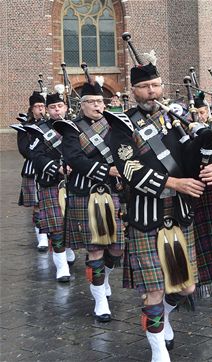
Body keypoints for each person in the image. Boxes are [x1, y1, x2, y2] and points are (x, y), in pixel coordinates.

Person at [106, 58, 212, 361]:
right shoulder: (122, 124)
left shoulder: (179, 116)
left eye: (155, 85)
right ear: (133, 91)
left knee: (185, 288)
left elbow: (206, 148)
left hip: (180, 213)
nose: (151, 92)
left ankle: (164, 318)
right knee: (154, 290)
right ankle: (158, 350)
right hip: (146, 215)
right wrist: (175, 182)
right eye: (144, 87)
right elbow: (129, 168)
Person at [53, 72, 125, 323]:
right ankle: (99, 299)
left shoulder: (116, 125)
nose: (97, 106)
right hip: (86, 191)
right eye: (92, 102)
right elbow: (74, 158)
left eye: (100, 102)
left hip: (112, 191)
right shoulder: (71, 128)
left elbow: (124, 153)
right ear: (81, 105)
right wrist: (107, 170)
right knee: (94, 248)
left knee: (116, 248)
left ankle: (103, 276)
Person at [29, 93, 76, 282]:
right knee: (57, 226)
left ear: (65, 107)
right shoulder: (40, 130)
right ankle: (62, 266)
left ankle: (69, 248)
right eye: (53, 107)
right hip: (51, 181)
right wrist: (57, 168)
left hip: (74, 182)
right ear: (47, 110)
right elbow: (36, 156)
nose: (57, 110)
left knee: (72, 223)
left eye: (60, 106)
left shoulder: (76, 126)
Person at [16, 91, 49, 251]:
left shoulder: (51, 125)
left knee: (52, 203)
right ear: (31, 108)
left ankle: (52, 232)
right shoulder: (25, 128)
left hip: (50, 169)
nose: (40, 109)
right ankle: (41, 236)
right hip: (32, 170)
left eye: (42, 106)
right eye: (37, 106)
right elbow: (24, 150)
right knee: (37, 205)